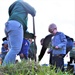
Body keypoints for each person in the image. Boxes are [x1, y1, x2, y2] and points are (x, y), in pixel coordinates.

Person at [2, 0, 36, 66]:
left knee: (12, 49)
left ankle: (9, 68)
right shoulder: (21, 2)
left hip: (8, 25)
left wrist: (31, 36)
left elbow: (20, 32)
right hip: (15, 26)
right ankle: (4, 68)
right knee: (15, 49)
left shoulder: (13, 9)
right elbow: (33, 11)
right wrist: (33, 13)